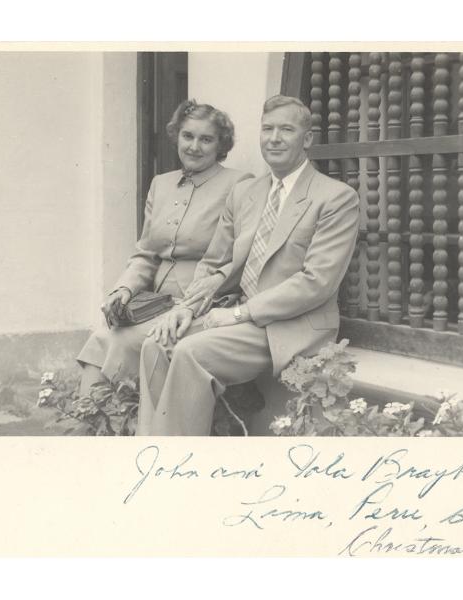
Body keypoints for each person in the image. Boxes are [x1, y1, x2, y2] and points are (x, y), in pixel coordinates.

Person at [137, 95, 360, 435]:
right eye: (267, 129)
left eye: (286, 129)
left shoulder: (336, 197)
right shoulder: (247, 193)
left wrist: (239, 314)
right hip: (238, 317)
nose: (274, 138)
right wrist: (187, 307)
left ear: (308, 139)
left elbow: (317, 282)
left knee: (190, 352)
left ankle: (177, 465)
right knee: (156, 344)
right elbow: (216, 263)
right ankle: (151, 452)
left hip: (291, 324)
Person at [76, 100, 252, 396]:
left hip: (201, 301)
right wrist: (123, 290)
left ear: (221, 144)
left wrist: (196, 299)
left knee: (123, 342)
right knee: (101, 336)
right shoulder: (161, 184)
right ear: (176, 136)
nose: (194, 146)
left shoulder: (238, 183)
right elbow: (146, 254)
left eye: (206, 139)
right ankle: (92, 428)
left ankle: (125, 426)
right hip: (154, 302)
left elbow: (240, 257)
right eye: (188, 136)